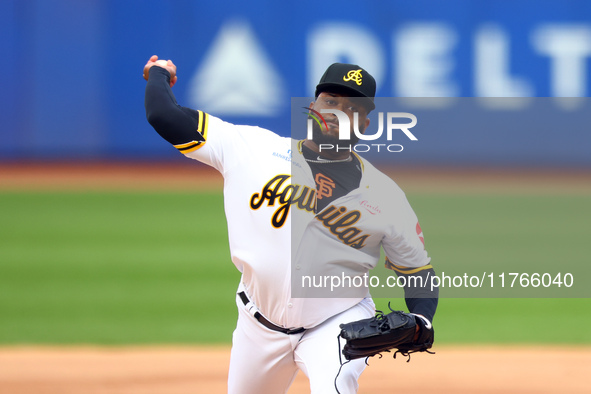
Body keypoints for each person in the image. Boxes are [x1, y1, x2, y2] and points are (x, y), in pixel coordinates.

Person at [143, 55, 438, 394]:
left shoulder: (386, 197)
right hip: (258, 326)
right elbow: (163, 115)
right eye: (330, 101)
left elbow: (418, 271)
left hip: (337, 325)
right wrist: (160, 74)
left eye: (352, 108)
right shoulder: (252, 149)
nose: (338, 112)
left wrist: (423, 319)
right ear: (313, 107)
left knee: (335, 383)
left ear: (365, 124)